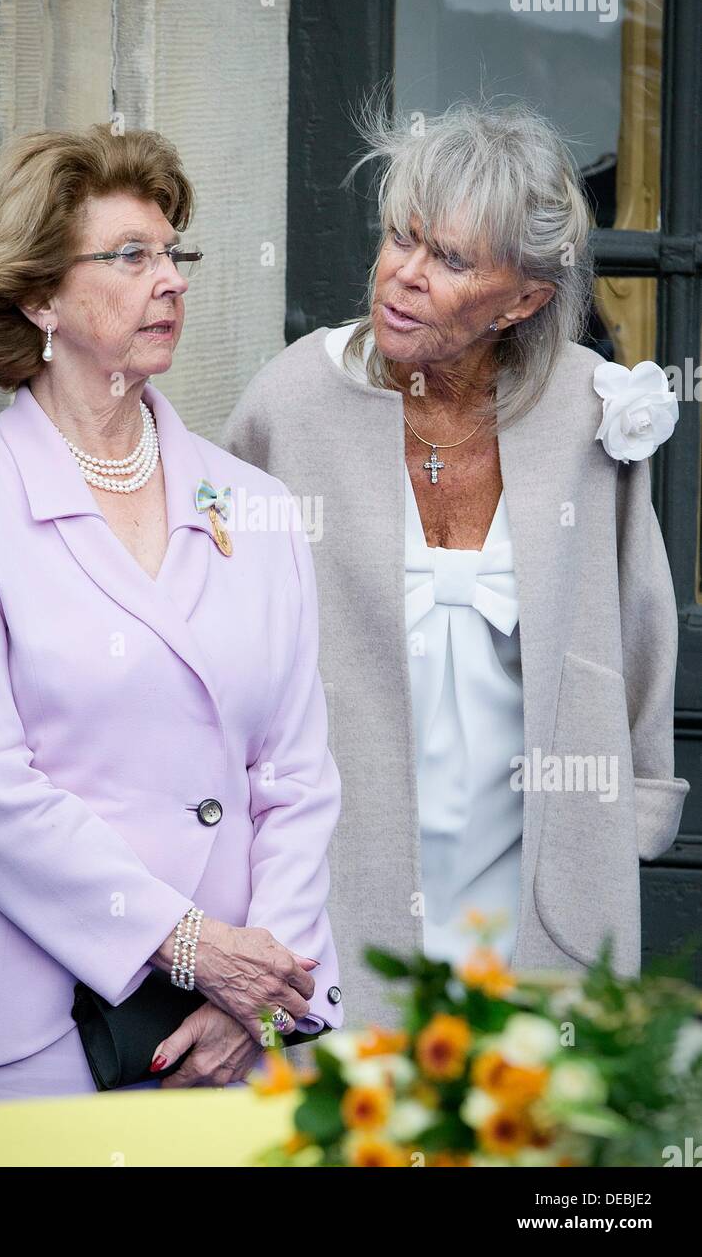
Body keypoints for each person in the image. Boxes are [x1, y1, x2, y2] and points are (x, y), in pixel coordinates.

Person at [0, 123, 343, 1105]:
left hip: (223, 1040)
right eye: (132, 256)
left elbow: (297, 778)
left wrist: (258, 995)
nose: (170, 278)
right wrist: (190, 947)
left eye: (172, 253)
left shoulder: (254, 506)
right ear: (39, 294)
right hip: (27, 1022)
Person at [222, 98, 689, 1032]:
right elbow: (221, 627)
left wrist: (630, 813)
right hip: (344, 858)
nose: (403, 275)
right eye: (402, 237)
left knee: (527, 1124)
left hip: (535, 867)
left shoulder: (587, 414)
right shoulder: (292, 400)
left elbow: (638, 630)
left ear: (523, 299)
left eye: (451, 260)